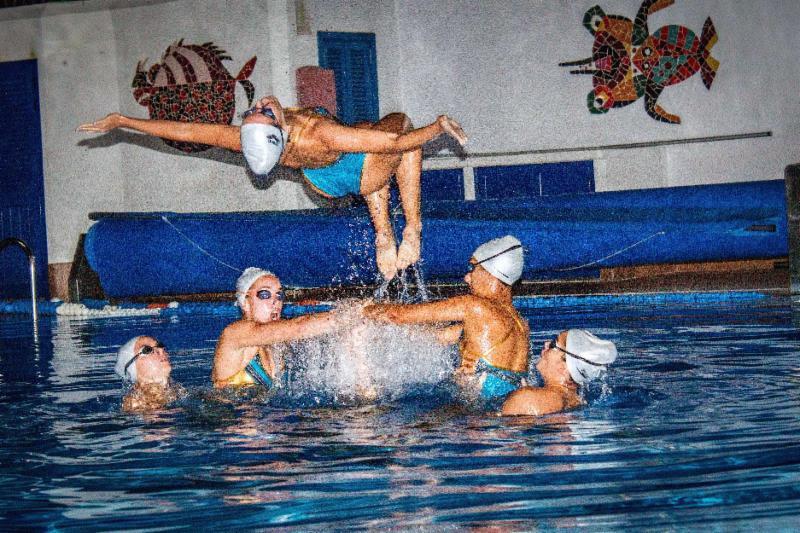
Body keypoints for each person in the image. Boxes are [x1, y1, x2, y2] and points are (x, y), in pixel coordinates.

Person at [77, 96, 468, 280]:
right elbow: (392, 145)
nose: (259, 105)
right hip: (355, 169)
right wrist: (437, 128)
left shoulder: (260, 136)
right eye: (263, 112)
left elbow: (190, 131)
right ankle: (410, 229)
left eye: (252, 113)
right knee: (399, 127)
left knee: (367, 127)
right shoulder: (318, 133)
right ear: (277, 132)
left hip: (322, 183)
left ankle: (384, 236)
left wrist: (123, 119)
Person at [364, 235, 530, 402]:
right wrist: (379, 336)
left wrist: (362, 310)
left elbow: (397, 315)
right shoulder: (520, 323)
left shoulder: (474, 306)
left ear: (491, 271)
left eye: (473, 268)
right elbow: (439, 337)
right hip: (510, 400)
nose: (467, 278)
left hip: (481, 400)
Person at [212, 266, 345, 389]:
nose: (275, 302)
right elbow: (299, 327)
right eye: (265, 294)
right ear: (245, 302)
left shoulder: (276, 343)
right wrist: (352, 313)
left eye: (279, 295)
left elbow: (304, 330)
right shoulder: (235, 334)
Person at [501, 329, 617, 416]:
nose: (546, 343)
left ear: (565, 367)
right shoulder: (577, 401)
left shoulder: (527, 398)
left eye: (552, 344)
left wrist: (523, 396)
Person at [115, 335, 183, 412]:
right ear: (133, 369)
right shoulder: (136, 406)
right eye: (147, 350)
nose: (161, 350)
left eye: (160, 346)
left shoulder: (177, 393)